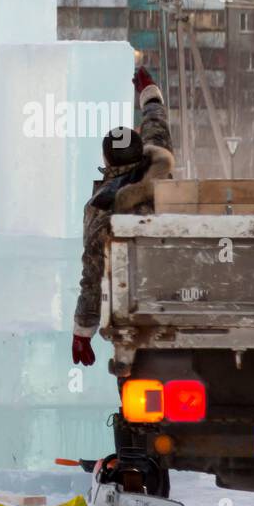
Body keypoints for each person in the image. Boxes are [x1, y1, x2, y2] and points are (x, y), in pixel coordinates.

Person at [72, 66, 174, 366]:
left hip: (135, 312)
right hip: (178, 291)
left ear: (106, 159)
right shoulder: (160, 167)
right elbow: (156, 121)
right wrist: (149, 91)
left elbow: (93, 275)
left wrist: (82, 332)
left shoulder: (102, 208)